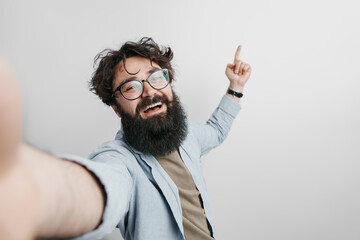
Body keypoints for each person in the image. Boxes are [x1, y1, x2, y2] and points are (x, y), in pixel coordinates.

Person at [0, 38, 251, 240]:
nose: (150, 92)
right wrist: (35, 193)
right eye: (131, 87)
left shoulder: (187, 134)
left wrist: (235, 86)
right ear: (117, 108)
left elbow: (217, 131)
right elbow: (101, 187)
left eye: (156, 77)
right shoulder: (120, 160)